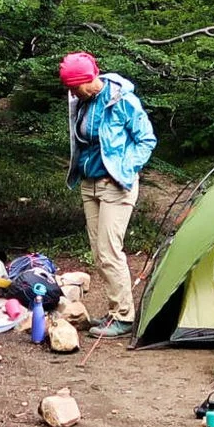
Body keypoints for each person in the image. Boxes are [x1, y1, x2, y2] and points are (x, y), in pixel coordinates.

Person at [60, 51, 156, 336]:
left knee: (109, 251)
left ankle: (123, 317)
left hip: (115, 184)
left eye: (75, 86)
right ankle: (115, 310)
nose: (72, 92)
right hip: (89, 183)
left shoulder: (122, 100)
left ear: (89, 79)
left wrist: (126, 169)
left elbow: (146, 140)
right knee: (98, 252)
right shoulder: (82, 101)